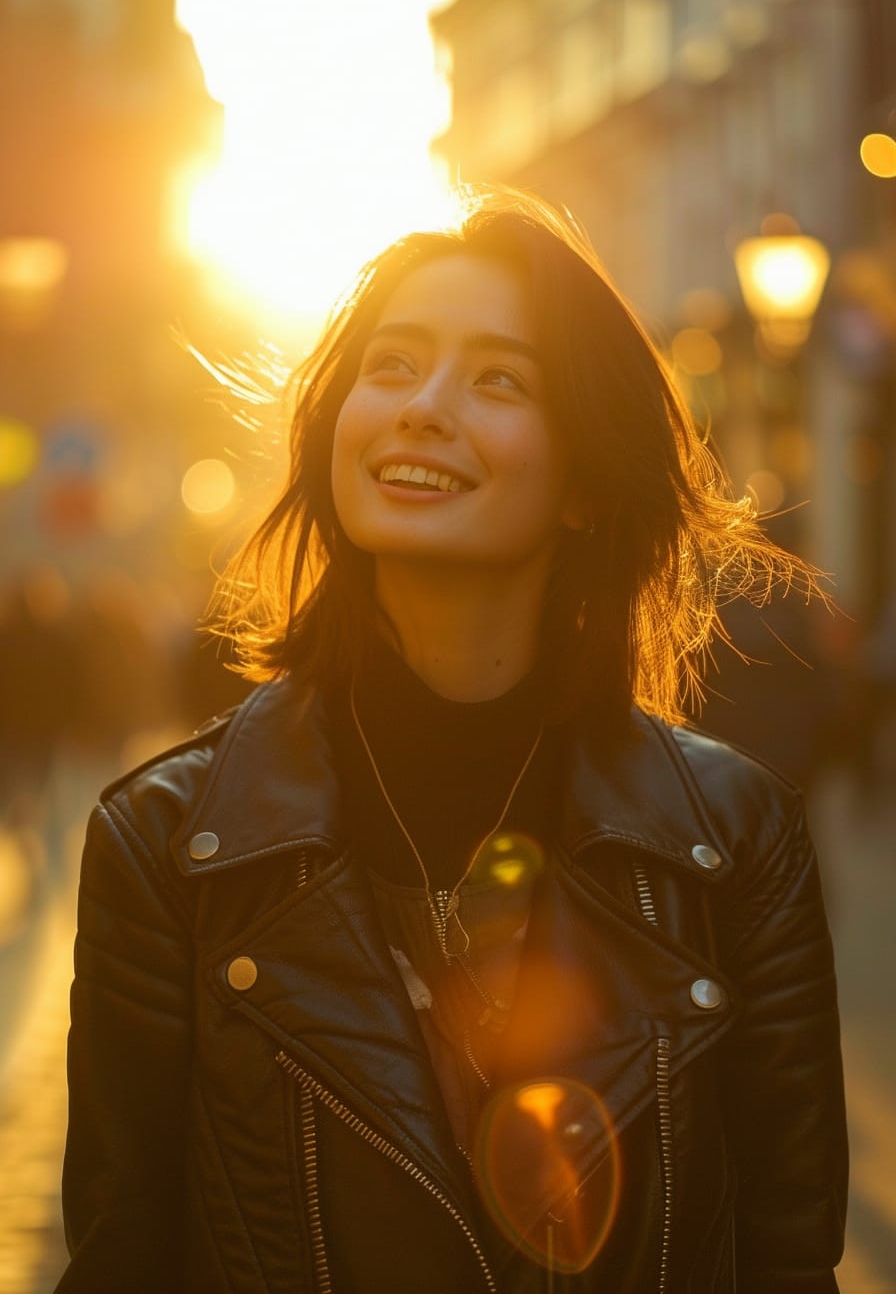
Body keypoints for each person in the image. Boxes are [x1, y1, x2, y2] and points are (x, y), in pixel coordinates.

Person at [56, 187, 847, 1293]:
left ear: (580, 479)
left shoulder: (732, 839)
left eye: (498, 380)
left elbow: (784, 1261)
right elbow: (123, 1257)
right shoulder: (169, 846)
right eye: (392, 366)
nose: (423, 408)